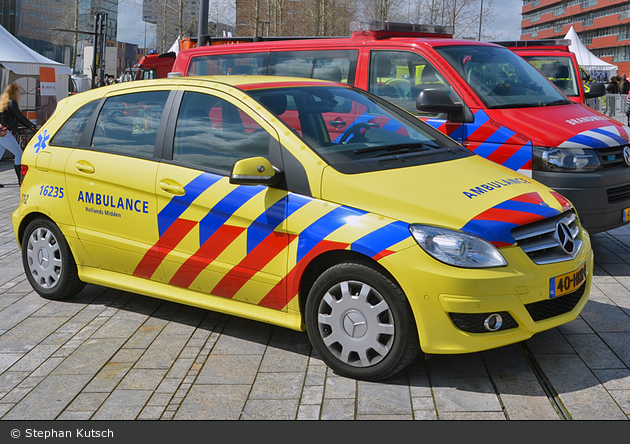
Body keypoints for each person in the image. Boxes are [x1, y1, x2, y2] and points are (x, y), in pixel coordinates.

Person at [0, 84, 36, 187]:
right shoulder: (12, 103)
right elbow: (20, 117)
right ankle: (21, 181)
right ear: (14, 92)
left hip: (1, 133)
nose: (19, 93)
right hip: (6, 133)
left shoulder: (3, 103)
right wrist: (32, 126)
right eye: (17, 91)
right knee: (19, 154)